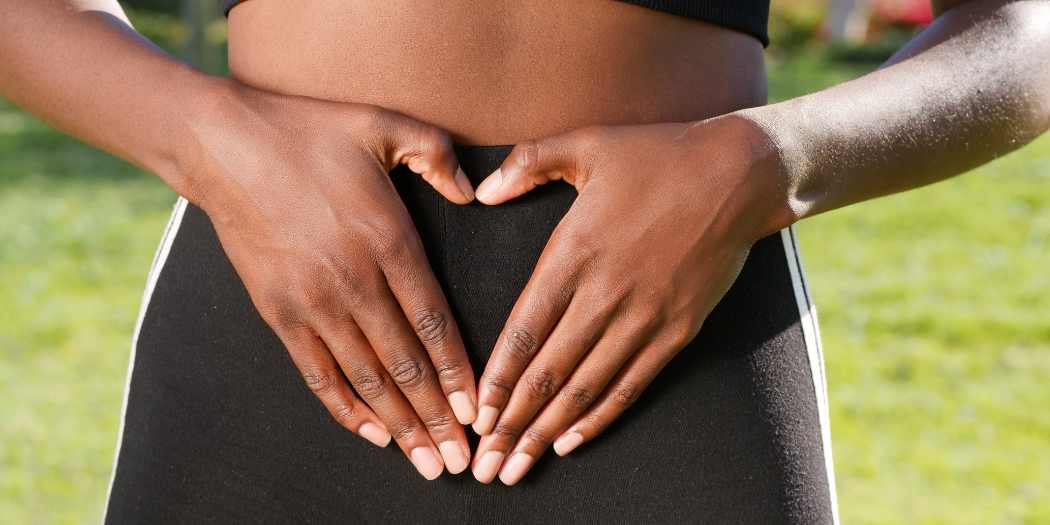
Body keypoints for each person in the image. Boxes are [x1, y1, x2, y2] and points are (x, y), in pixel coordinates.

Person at [2, 0, 1047, 523]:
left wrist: (766, 163)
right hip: (285, 326)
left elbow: (1021, 28)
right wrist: (215, 144)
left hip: (679, 343)